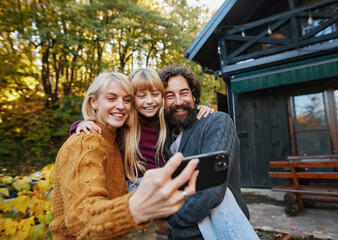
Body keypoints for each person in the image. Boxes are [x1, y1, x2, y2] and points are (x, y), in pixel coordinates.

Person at [49, 72, 199, 239]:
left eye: (127, 100)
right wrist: (136, 208)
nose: (121, 106)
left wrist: (202, 110)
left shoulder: (115, 138)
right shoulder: (86, 141)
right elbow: (81, 220)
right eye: (111, 98)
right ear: (94, 102)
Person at [155, 65, 258, 239]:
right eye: (169, 95)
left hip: (220, 229)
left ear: (194, 95)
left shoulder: (216, 122)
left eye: (184, 93)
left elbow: (211, 189)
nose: (178, 101)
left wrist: (171, 224)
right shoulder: (164, 136)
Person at [71, 68, 213, 191]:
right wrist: (80, 124)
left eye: (155, 94)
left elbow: (183, 115)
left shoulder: (164, 120)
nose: (149, 101)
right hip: (135, 184)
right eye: (141, 96)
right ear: (131, 99)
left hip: (165, 179)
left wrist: (200, 109)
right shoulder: (125, 122)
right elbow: (103, 127)